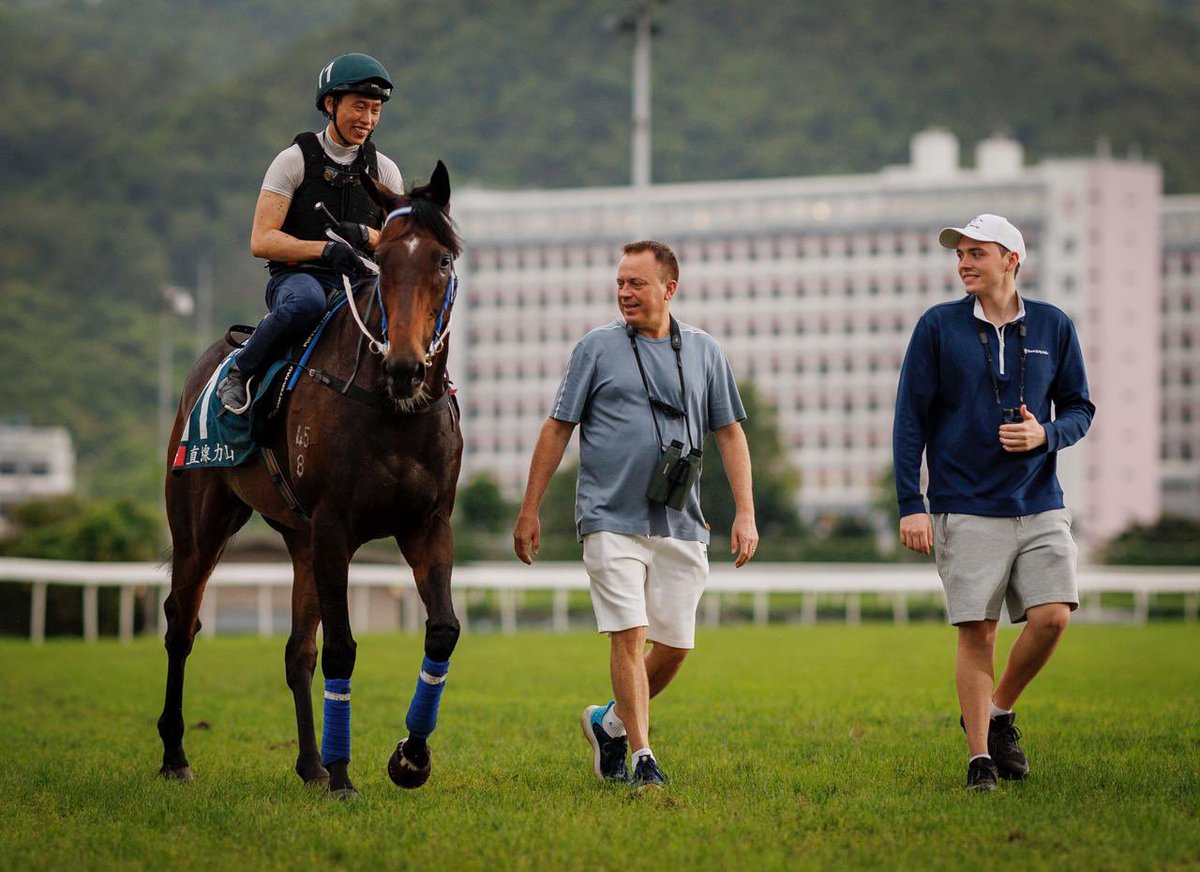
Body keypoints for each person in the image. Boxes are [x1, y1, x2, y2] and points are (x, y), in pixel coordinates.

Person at [513, 240, 759, 792]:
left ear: (669, 289)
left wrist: (745, 512)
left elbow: (730, 433)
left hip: (682, 520)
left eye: (636, 283)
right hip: (608, 517)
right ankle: (642, 755)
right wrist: (529, 510)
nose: (624, 292)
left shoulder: (704, 351)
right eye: (620, 282)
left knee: (675, 646)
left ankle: (609, 723)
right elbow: (557, 429)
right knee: (630, 634)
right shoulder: (595, 348)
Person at [893, 214, 1095, 792]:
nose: (963, 263)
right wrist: (912, 501)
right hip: (964, 504)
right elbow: (911, 420)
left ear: (1011, 260)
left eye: (976, 253)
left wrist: (1045, 435)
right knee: (977, 631)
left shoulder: (1055, 326)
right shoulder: (937, 326)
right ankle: (980, 757)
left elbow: (1081, 407)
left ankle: (999, 709)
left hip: (1040, 501)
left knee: (1054, 615)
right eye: (960, 255)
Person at [217, 53, 404, 413]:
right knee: (307, 304)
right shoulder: (293, 160)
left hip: (361, 281)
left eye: (375, 111)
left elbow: (396, 243)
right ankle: (240, 372)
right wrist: (325, 251)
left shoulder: (385, 170)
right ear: (331, 104)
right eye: (359, 108)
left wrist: (366, 235)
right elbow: (262, 240)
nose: (367, 120)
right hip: (299, 279)